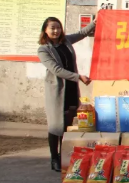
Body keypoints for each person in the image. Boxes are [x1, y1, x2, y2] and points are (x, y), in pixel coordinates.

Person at [37, 16, 96, 172]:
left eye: (58, 27)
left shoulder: (66, 41)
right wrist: (79, 77)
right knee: (55, 126)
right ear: (45, 30)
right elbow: (56, 70)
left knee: (67, 125)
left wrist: (95, 22)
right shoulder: (43, 49)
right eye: (52, 28)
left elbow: (82, 33)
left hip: (71, 88)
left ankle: (63, 155)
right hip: (57, 91)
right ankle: (54, 158)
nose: (56, 31)